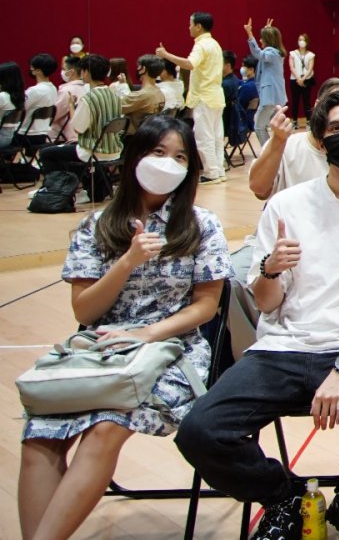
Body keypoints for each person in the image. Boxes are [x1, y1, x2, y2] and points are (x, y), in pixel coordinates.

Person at [176, 87, 339, 540]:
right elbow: (267, 302)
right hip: (282, 346)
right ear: (321, 143)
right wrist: (270, 268)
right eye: (336, 129)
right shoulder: (286, 205)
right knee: (200, 431)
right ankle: (283, 497)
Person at [18, 116, 230, 540]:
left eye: (180, 157)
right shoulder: (95, 226)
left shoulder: (200, 224)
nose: (168, 163)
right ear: (135, 156)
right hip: (102, 347)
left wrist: (146, 334)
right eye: (158, 152)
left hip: (172, 349)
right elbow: (85, 308)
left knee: (106, 427)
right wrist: (128, 261)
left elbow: (206, 307)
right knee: (40, 435)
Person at [248, 77, 339, 201]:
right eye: (334, 105)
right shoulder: (287, 146)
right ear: (317, 105)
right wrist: (277, 141)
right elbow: (259, 189)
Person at [157, 12, 226, 183]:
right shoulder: (215, 44)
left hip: (204, 96)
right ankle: (219, 170)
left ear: (198, 26)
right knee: (216, 136)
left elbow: (190, 64)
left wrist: (166, 55)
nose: (189, 27)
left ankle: (211, 172)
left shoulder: (201, 45)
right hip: (216, 95)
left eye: (190, 24)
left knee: (204, 137)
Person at [39, 54, 123, 189]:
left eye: (83, 71)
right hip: (114, 150)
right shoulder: (115, 95)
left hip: (92, 151)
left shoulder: (89, 98)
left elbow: (78, 129)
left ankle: (56, 189)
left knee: (46, 153)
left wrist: (71, 107)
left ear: (87, 72)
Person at [246, 19, 288, 144]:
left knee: (259, 127)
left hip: (270, 97)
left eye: (262, 38)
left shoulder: (272, 53)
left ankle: (268, 152)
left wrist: (250, 34)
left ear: (268, 40)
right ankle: (277, 151)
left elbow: (258, 53)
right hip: (274, 97)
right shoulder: (275, 53)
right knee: (276, 127)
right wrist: (267, 29)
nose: (260, 40)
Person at [18, 54, 59, 148]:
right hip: (43, 133)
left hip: (26, 135)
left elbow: (19, 108)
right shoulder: (53, 88)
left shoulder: (34, 91)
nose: (30, 68)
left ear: (39, 71)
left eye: (32, 67)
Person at [121, 54, 167, 131]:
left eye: (138, 66)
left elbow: (114, 108)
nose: (137, 68)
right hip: (149, 133)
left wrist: (122, 86)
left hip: (133, 135)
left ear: (143, 69)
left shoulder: (141, 95)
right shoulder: (159, 92)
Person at [53, 56, 88, 140]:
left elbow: (53, 115)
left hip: (70, 137)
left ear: (72, 72)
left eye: (64, 69)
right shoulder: (87, 88)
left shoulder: (66, 91)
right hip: (84, 134)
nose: (62, 72)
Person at [288, 34, 316, 128]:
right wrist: (298, 78)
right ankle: (294, 121)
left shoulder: (311, 55)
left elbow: (310, 68)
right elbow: (291, 67)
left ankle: (308, 121)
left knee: (306, 101)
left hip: (306, 80)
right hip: (294, 80)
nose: (301, 42)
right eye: (299, 40)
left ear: (307, 42)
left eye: (303, 40)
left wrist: (303, 79)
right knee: (295, 101)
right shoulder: (293, 53)